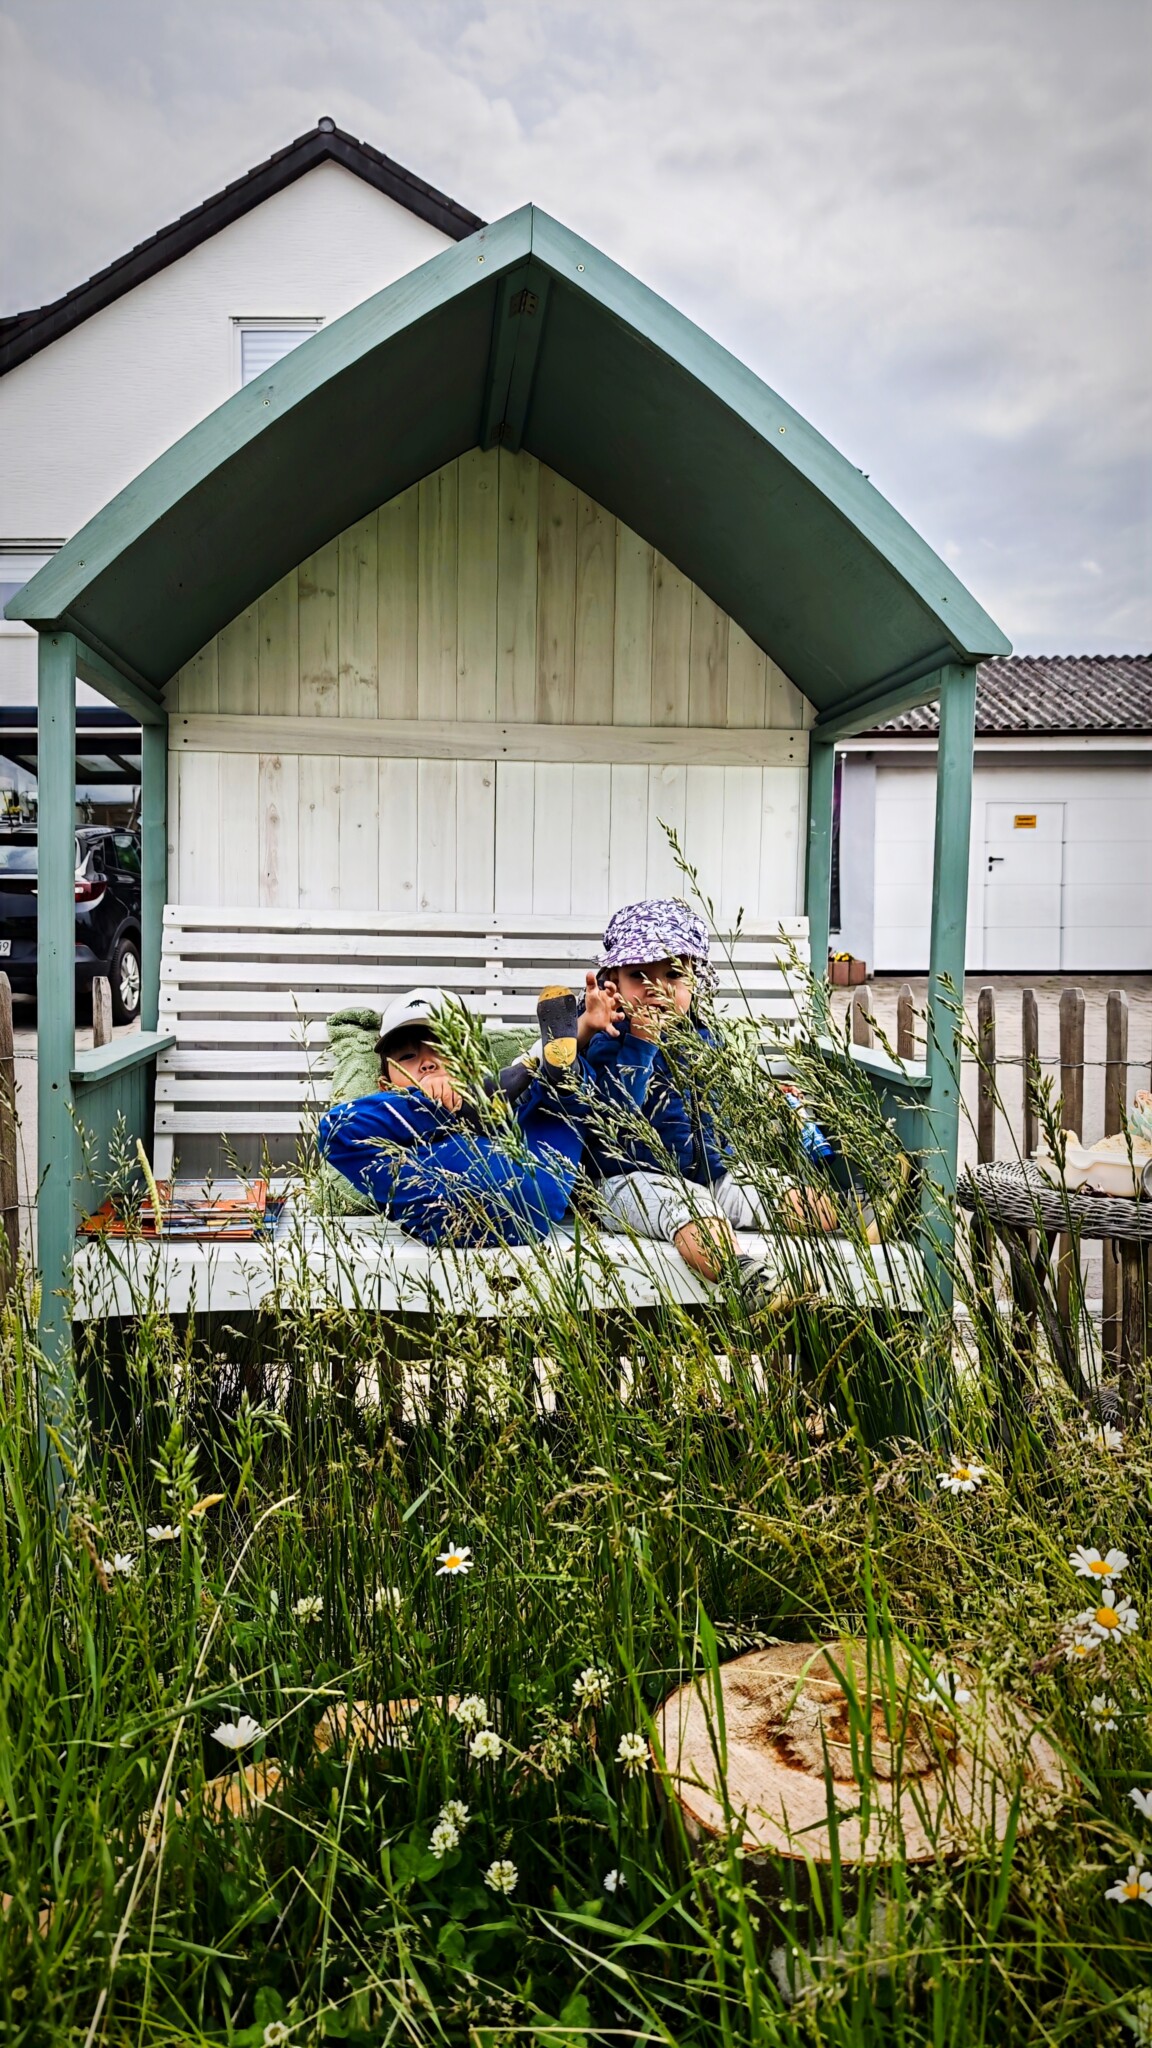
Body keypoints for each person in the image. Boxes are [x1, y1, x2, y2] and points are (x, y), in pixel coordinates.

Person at [572, 898, 837, 1281]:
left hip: (710, 1172)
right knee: (689, 1206)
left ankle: (855, 1214)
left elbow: (720, 1104)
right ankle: (742, 1278)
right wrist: (642, 1045)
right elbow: (611, 1117)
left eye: (672, 975)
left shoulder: (703, 1038)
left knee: (770, 1190)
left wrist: (767, 1099)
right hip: (628, 1180)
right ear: (612, 982)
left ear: (694, 980)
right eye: (638, 976)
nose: (655, 989)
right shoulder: (609, 1038)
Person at [317, 987, 585, 1249]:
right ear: (386, 1088)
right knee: (335, 1128)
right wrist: (429, 1105)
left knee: (558, 1096)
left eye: (442, 1048)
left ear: (473, 1067)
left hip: (526, 1184)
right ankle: (481, 1098)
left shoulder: (510, 1117)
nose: (428, 1063)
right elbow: (336, 1130)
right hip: (441, 1200)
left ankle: (558, 1069)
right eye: (408, 1056)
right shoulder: (388, 1131)